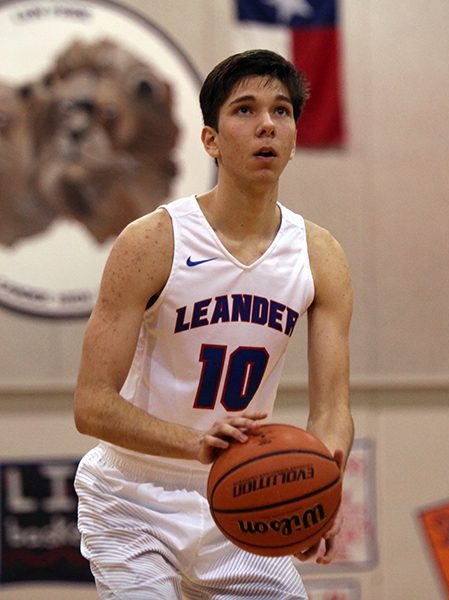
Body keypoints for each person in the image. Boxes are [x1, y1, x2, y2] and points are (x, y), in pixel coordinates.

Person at [72, 49, 354, 599]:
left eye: (282, 111)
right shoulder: (153, 241)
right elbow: (91, 404)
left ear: (294, 137)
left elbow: (332, 410)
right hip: (132, 495)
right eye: (245, 110)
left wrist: (321, 494)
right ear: (210, 139)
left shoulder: (319, 255)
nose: (267, 124)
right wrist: (196, 443)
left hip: (244, 492)